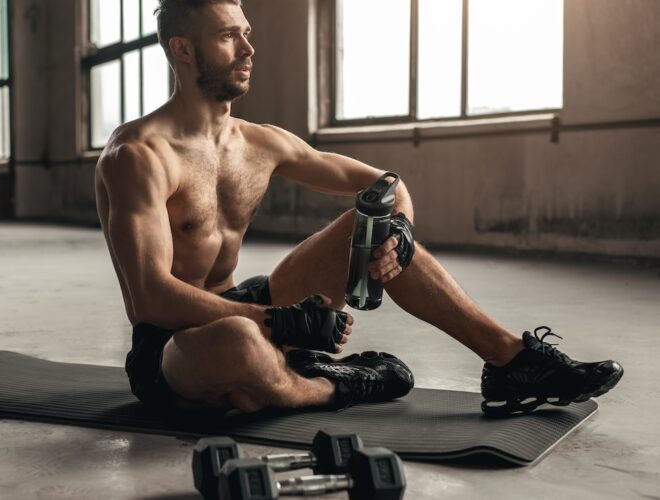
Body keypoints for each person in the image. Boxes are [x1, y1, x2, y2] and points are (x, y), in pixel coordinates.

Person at [94, 0, 623, 417]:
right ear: (184, 50)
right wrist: (279, 322)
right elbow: (149, 299)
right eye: (229, 36)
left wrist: (401, 235)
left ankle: (511, 360)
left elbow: (382, 184)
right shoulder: (139, 155)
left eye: (246, 32)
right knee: (239, 343)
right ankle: (337, 384)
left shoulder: (262, 143)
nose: (249, 48)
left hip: (253, 306)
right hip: (174, 347)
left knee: (371, 223)